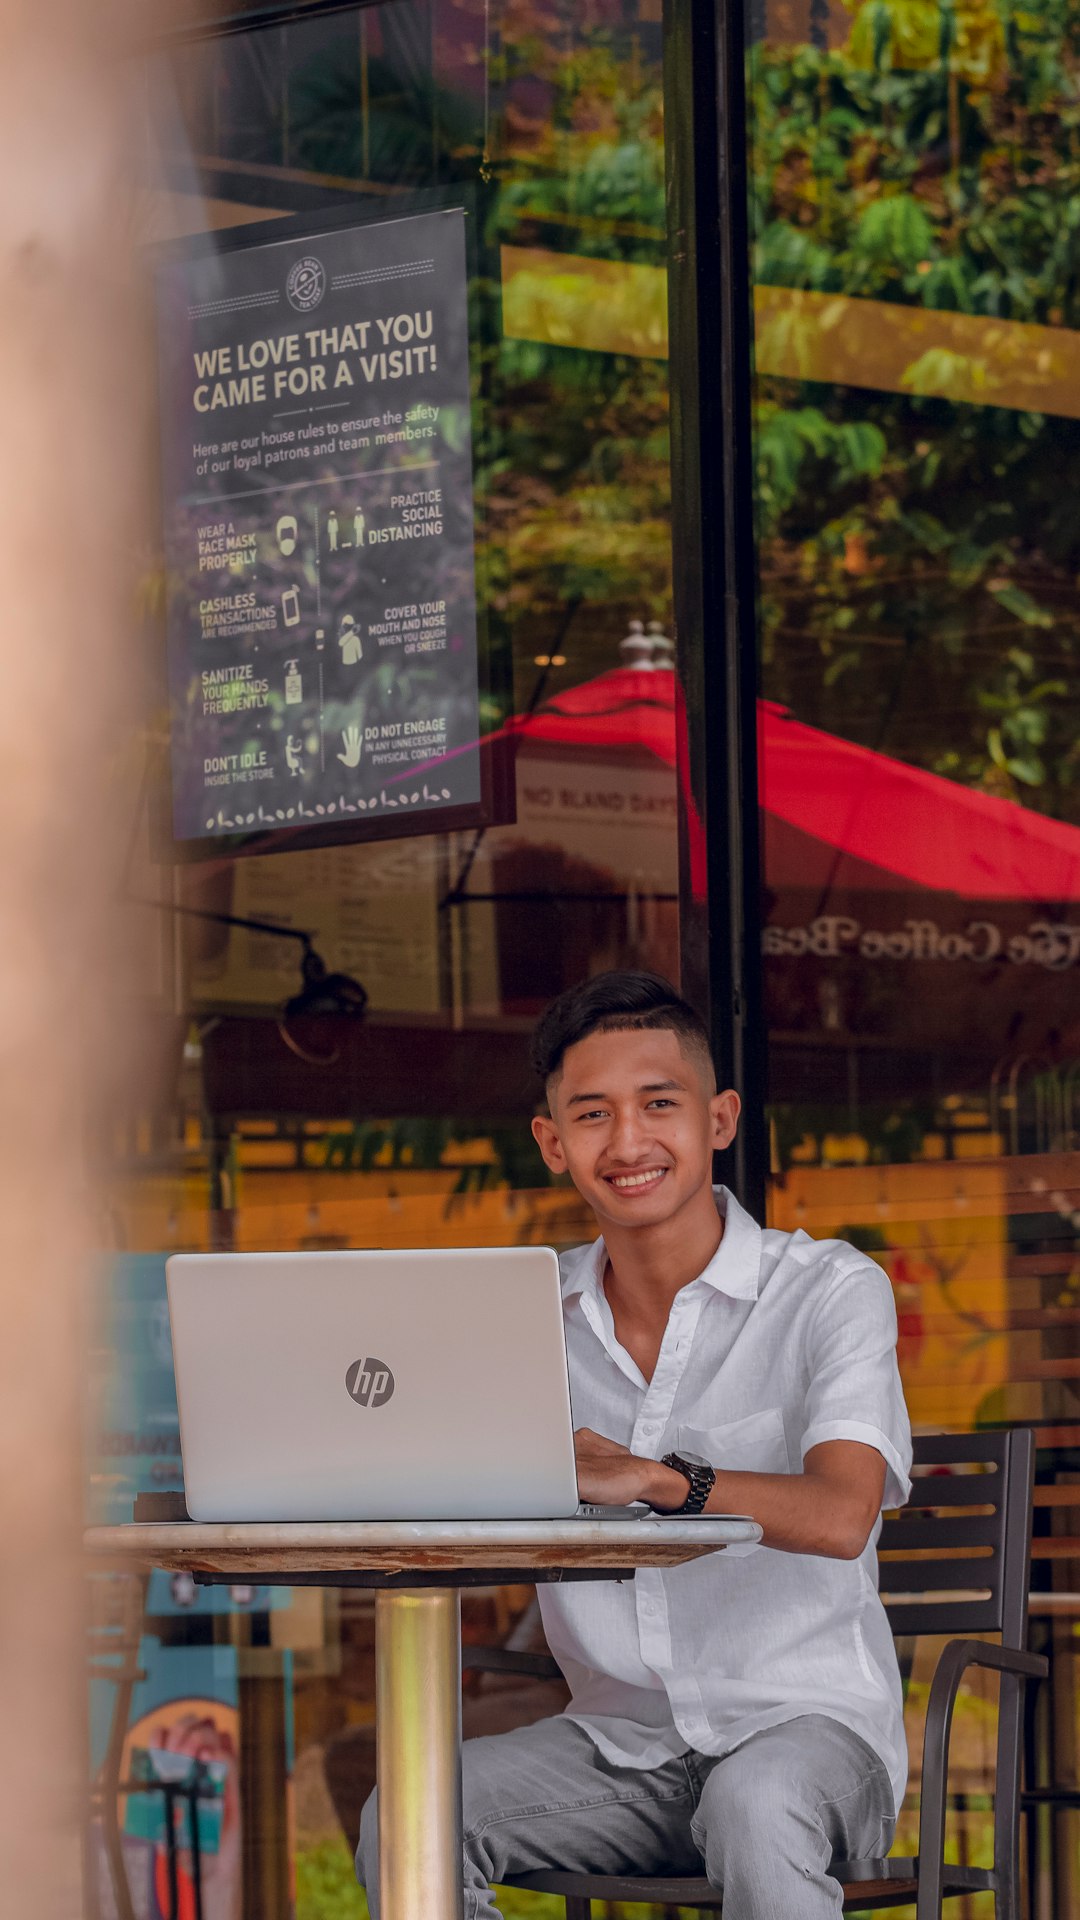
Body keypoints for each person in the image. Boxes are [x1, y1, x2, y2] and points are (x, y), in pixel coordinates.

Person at [356, 969, 912, 1920]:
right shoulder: (517, 1321)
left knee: (755, 1800)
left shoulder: (828, 1288)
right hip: (619, 1748)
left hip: (810, 1737)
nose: (627, 1142)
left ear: (720, 1119)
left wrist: (661, 1480)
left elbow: (842, 1514)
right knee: (409, 1815)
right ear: (552, 1145)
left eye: (659, 1104)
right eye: (591, 1114)